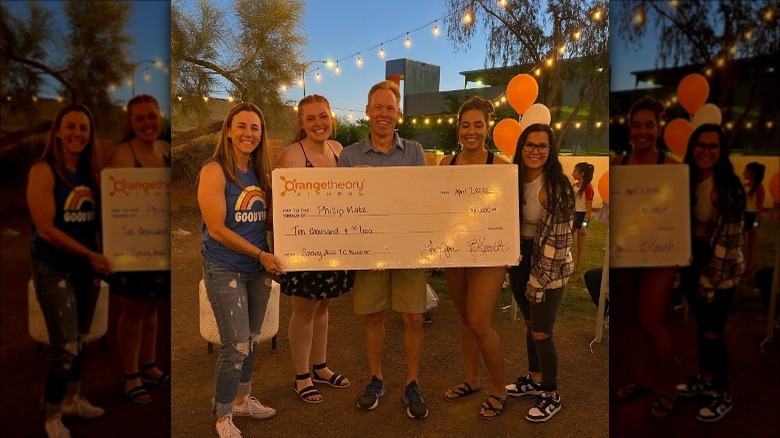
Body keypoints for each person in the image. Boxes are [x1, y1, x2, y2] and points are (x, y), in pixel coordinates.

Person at [337, 80, 430, 419]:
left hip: (407, 251)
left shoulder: (415, 152)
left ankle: (412, 382)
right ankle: (376, 379)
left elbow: (423, 200)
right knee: (374, 316)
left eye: (390, 108)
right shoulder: (349, 156)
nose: (384, 114)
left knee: (414, 318)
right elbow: (341, 211)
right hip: (369, 254)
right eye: (378, 107)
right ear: (367, 111)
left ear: (398, 113)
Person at [198, 102, 284, 437]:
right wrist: (262, 254)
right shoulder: (214, 170)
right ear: (229, 131)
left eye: (255, 128)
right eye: (242, 127)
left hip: (258, 266)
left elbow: (278, 217)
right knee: (235, 344)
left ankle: (242, 400)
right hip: (225, 267)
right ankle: (222, 415)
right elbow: (217, 229)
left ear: (262, 134)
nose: (249, 134)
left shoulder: (262, 172)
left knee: (252, 338)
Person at [27, 103, 113, 437]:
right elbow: (46, 229)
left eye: (84, 128)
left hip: (86, 265)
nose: (77, 133)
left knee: (80, 339)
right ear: (59, 132)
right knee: (63, 344)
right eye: (71, 127)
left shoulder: (88, 173)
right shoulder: (44, 170)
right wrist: (91, 253)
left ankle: (71, 399)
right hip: (53, 266)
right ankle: (51, 415)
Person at [275, 95, 355, 404]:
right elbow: (280, 209)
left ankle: (320, 367)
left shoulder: (339, 151)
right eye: (310, 119)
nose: (318, 123)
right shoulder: (291, 156)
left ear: (331, 116)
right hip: (303, 249)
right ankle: (301, 376)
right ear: (302, 123)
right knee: (304, 310)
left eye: (323, 116)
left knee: (324, 307)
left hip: (335, 246)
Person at [437, 96, 511, 419]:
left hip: (490, 254)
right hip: (456, 252)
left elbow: (510, 216)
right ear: (457, 129)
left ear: (487, 127)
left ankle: (499, 388)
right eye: (465, 125)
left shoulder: (502, 167)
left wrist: (507, 250)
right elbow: (436, 209)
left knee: (480, 321)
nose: (471, 131)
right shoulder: (445, 165)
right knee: (466, 318)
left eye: (477, 125)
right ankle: (471, 380)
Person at [610, 96, 681, 417]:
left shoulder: (672, 168)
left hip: (661, 256)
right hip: (628, 253)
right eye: (636, 124)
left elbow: (679, 217)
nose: (642, 131)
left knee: (652, 321)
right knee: (635, 321)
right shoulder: (616, 165)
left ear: (659, 127)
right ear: (629, 128)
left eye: (648, 125)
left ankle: (669, 387)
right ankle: (642, 379)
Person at [505, 122, 575, 422]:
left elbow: (558, 247)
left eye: (542, 146)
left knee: (542, 331)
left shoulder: (557, 187)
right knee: (529, 323)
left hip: (549, 263)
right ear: (521, 147)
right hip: (520, 257)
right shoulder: (512, 179)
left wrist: (539, 281)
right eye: (529, 145)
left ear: (551, 150)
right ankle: (533, 379)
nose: (535, 151)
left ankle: (550, 393)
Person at [105, 94, 171, 404]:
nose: (147, 123)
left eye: (151, 116)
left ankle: (150, 366)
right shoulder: (120, 156)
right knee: (131, 311)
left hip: (159, 250)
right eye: (140, 118)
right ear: (131, 123)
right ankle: (131, 375)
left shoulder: (167, 152)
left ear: (159, 118)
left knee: (152, 308)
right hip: (131, 252)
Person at [676, 124, 745, 422]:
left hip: (721, 269)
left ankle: (722, 394)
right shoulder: (686, 179)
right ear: (692, 147)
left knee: (713, 332)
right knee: (702, 327)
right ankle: (705, 380)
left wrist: (710, 282)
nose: (706, 150)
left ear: (722, 150)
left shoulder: (728, 186)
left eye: (713, 145)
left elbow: (730, 247)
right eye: (701, 144)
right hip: (694, 261)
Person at [570, 161, 595, 281]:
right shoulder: (574, 185)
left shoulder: (588, 187)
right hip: (573, 215)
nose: (573, 173)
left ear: (582, 174)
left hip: (582, 216)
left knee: (580, 245)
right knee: (567, 242)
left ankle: (577, 271)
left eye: (575, 171)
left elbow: (589, 208)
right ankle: (568, 267)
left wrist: (584, 224)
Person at [741, 162, 765, 281]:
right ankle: (740, 266)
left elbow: (760, 208)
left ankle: (748, 270)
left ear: (752, 173)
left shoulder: (759, 187)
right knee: (739, 241)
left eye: (746, 171)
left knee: (751, 245)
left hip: (753, 216)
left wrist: (756, 224)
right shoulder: (746, 185)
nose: (743, 173)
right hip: (744, 215)